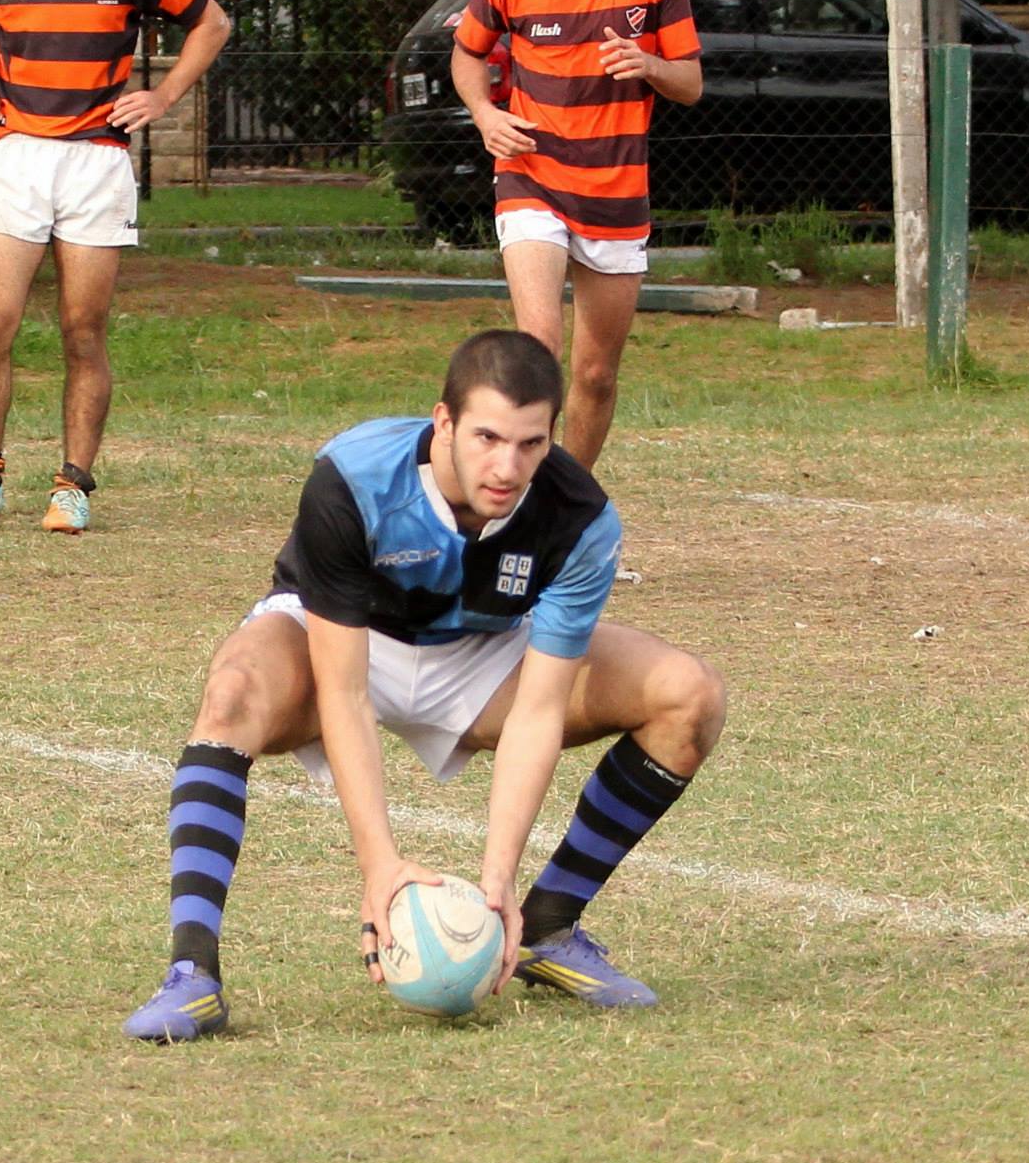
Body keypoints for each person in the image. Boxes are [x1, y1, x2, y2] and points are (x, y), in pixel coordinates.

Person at [122, 330, 727, 1042]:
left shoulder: (578, 518)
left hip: (481, 652)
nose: (508, 466)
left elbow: (536, 710)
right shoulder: (355, 477)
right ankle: (193, 976)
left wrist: (497, 880)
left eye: (531, 443)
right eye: (488, 437)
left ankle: (548, 924)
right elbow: (344, 691)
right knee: (231, 693)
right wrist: (379, 864)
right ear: (443, 421)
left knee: (688, 695)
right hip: (346, 640)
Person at [0, 0, 229, 534]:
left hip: (98, 160)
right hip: (16, 156)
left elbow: (212, 22)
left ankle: (72, 487)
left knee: (82, 330)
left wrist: (164, 95)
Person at [450, 0, 702, 474]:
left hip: (616, 188)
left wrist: (648, 63)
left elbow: (690, 85)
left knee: (595, 375)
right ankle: (516, 503)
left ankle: (566, 505)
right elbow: (467, 52)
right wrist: (486, 114)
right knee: (538, 351)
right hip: (531, 174)